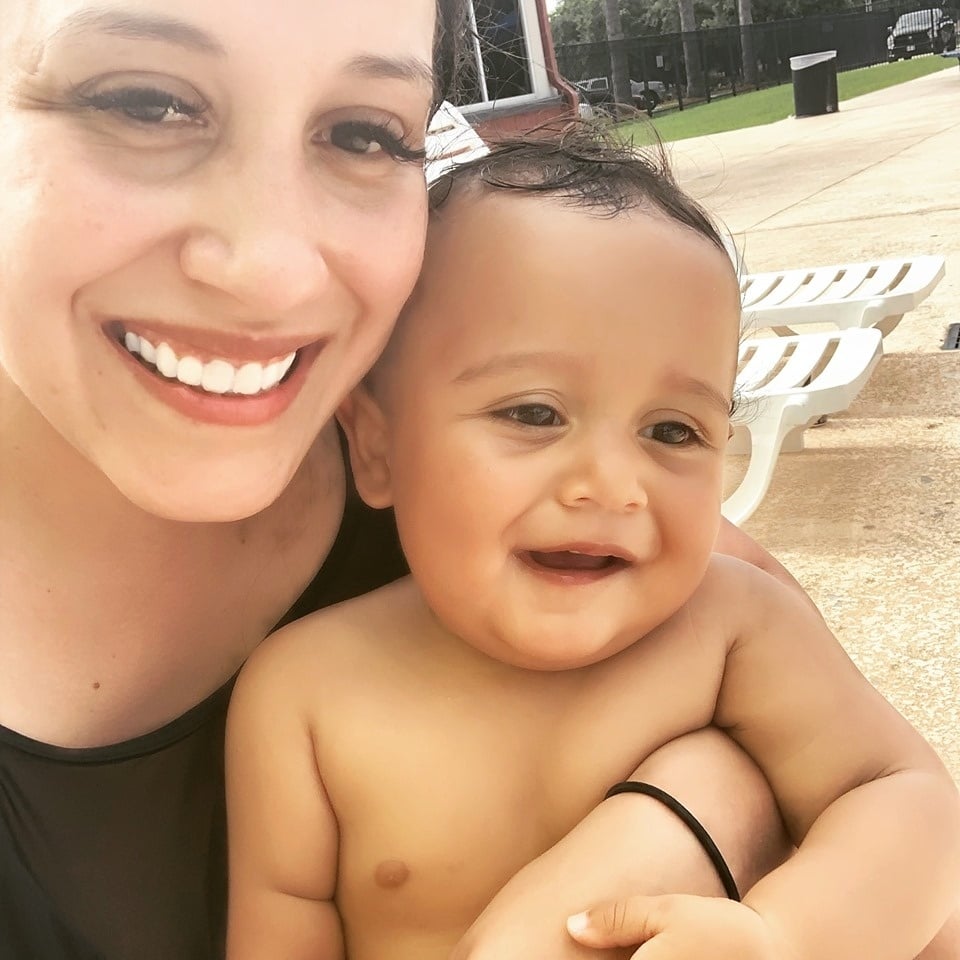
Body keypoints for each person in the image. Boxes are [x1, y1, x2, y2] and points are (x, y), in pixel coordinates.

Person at [0, 1, 874, 958]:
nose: (272, 270)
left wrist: (718, 863)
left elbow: (908, 835)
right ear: (378, 444)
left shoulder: (711, 608)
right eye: (143, 101)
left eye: (366, 131)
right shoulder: (308, 697)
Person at [223, 127, 960, 960]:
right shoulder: (304, 694)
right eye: (534, 413)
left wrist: (785, 935)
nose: (612, 486)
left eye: (674, 430)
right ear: (378, 448)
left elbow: (905, 795)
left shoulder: (731, 630)